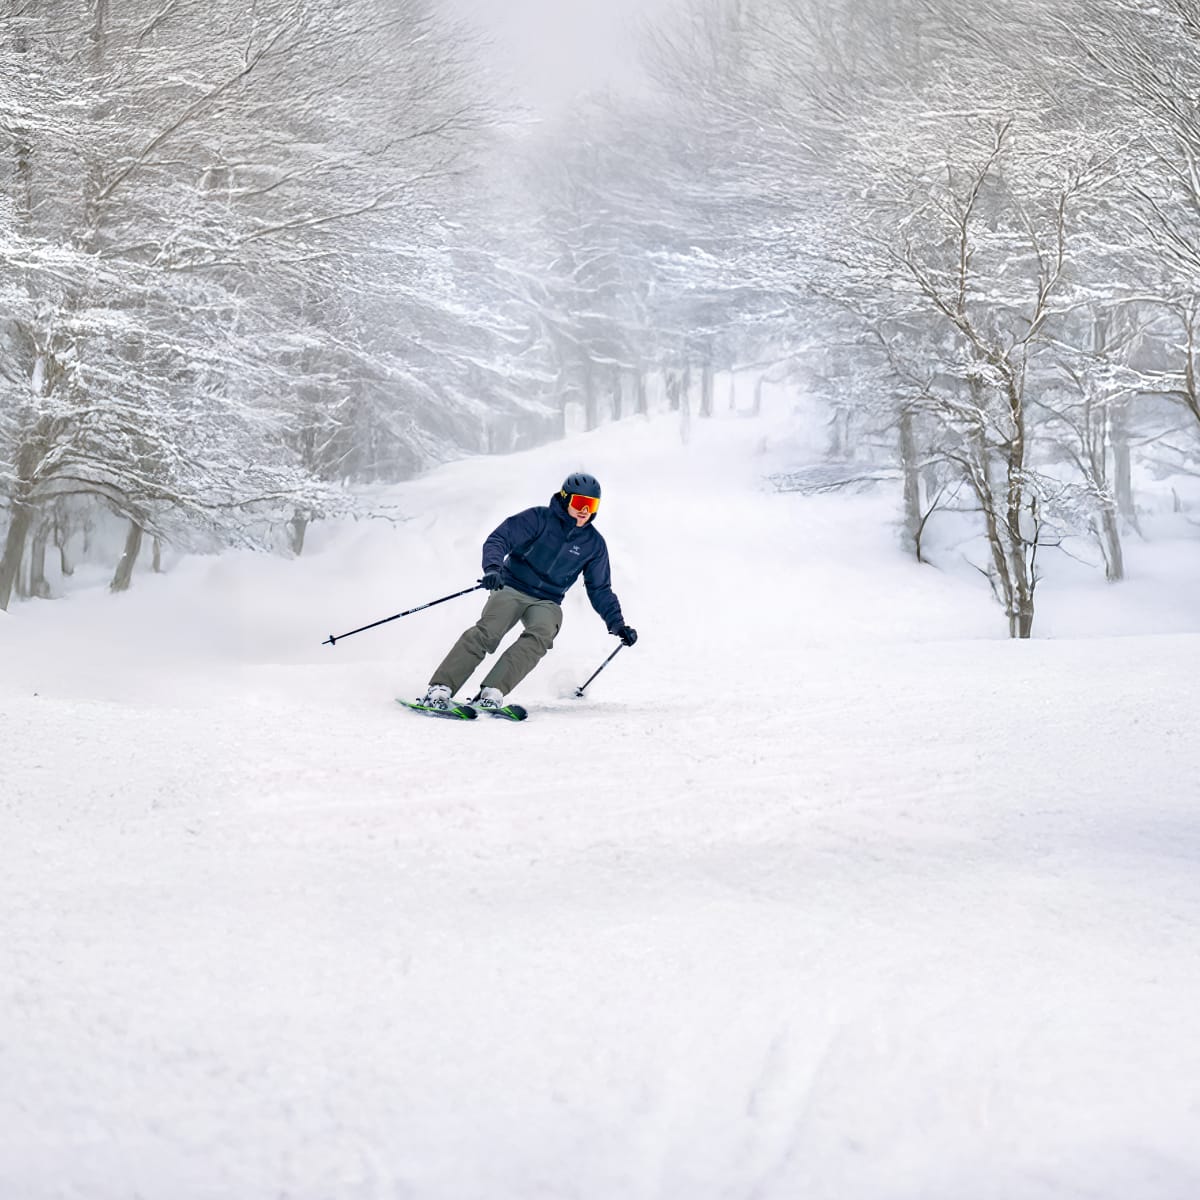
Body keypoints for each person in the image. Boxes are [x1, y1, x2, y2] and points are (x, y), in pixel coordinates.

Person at [419, 472, 637, 712]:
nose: (585, 510)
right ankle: (440, 689)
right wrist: (493, 569)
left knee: (542, 632)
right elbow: (499, 539)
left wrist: (618, 624)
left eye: (591, 505)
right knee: (489, 631)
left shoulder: (593, 544)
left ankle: (492, 691)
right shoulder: (538, 518)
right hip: (511, 585)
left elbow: (600, 589)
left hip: (548, 600)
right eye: (579, 503)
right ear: (565, 499)